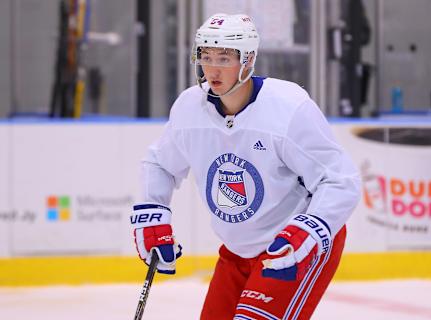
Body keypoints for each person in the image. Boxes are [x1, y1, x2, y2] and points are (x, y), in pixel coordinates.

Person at [130, 13, 361, 320]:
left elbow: (340, 179)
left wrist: (307, 231)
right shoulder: (189, 108)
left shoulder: (288, 108)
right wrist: (153, 213)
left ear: (248, 60)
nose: (212, 68)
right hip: (237, 250)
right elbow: (160, 163)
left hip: (291, 248)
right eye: (206, 56)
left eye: (224, 58)